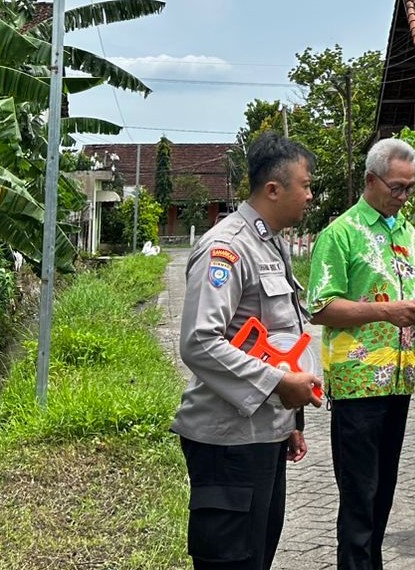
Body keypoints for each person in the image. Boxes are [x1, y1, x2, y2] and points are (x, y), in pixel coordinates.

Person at [175, 132, 325, 570]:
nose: (311, 195)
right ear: (273, 189)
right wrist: (280, 384)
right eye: (306, 184)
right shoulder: (227, 247)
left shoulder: (271, 244)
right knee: (231, 561)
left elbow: (275, 341)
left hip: (263, 436)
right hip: (227, 443)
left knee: (256, 557)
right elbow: (200, 341)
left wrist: (287, 421)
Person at [305, 137, 415, 570]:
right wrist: (388, 311)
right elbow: (321, 307)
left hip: (400, 381)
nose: (403, 196)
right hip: (357, 385)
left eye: (409, 188)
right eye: (396, 187)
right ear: (371, 180)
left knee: (383, 491)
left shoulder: (408, 232)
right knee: (359, 496)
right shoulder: (341, 234)